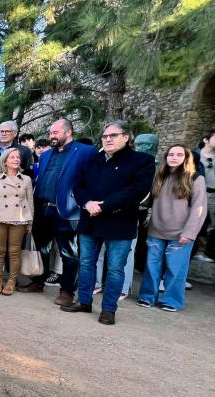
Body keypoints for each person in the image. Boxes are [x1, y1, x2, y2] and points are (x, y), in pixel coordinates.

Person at [61, 120, 154, 325]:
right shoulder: (92, 160)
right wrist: (87, 202)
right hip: (90, 220)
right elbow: (78, 186)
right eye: (105, 136)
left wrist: (104, 205)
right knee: (86, 264)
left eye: (113, 135)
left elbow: (137, 190)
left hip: (119, 222)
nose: (108, 139)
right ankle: (84, 301)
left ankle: (109, 309)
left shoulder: (142, 160)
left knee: (114, 269)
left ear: (126, 137)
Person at [18, 119, 98, 306]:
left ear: (68, 132)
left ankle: (67, 291)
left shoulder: (86, 152)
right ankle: (38, 282)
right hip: (42, 209)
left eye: (55, 132)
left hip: (67, 213)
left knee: (69, 254)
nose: (51, 136)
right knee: (41, 250)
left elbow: (92, 181)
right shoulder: (45, 155)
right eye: (50, 132)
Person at [137, 145, 207, 312]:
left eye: (179, 154)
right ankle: (147, 296)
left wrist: (190, 233)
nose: (174, 157)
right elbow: (146, 201)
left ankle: (172, 300)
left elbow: (199, 208)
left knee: (176, 269)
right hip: (156, 230)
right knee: (152, 267)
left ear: (186, 158)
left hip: (180, 233)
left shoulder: (195, 178)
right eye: (170, 154)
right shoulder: (159, 176)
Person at [0, 148, 34, 294]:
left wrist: (30, 223)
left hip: (19, 219)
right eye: (12, 157)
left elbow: (30, 202)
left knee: (14, 252)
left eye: (18, 157)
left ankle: (12, 281)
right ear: (5, 161)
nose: (16, 159)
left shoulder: (26, 179)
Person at [192, 129, 215, 262]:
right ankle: (194, 250)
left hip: (213, 194)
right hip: (198, 192)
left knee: (211, 224)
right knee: (196, 220)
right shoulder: (194, 155)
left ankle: (203, 251)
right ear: (206, 140)